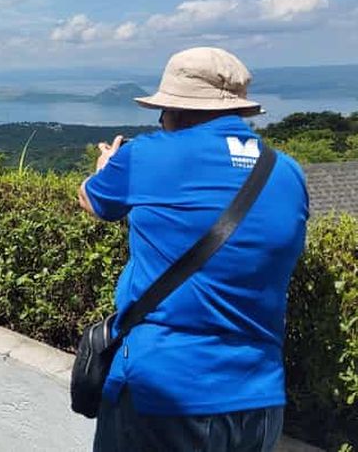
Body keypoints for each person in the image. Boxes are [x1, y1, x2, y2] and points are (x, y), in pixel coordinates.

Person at [78, 47, 309, 451]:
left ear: (175, 111)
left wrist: (106, 167)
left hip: (164, 391)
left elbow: (93, 201)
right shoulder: (287, 171)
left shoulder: (146, 154)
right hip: (259, 400)